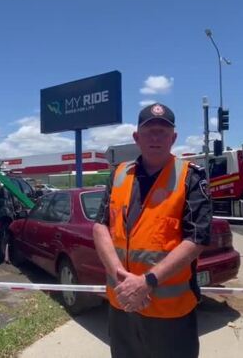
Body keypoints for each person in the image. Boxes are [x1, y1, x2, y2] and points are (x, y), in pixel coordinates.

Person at [93, 103, 211, 358]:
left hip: (170, 314)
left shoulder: (190, 177)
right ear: (137, 137)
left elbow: (197, 239)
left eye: (163, 131)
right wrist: (121, 279)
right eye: (149, 131)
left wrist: (147, 282)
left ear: (174, 138)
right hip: (121, 304)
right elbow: (100, 227)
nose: (156, 137)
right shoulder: (118, 175)